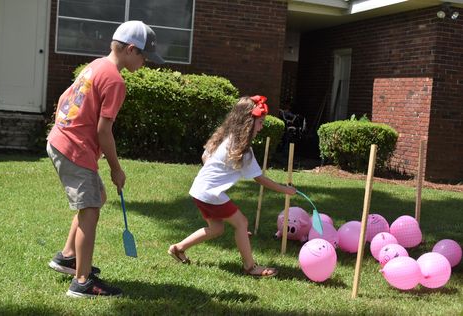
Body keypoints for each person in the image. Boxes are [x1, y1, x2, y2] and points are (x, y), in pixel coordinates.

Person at [46, 20, 164, 298]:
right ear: (131, 50)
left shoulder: (96, 66)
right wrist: (115, 168)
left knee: (95, 197)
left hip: (60, 140)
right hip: (74, 148)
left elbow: (65, 97)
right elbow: (103, 131)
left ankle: (67, 257)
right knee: (91, 210)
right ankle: (82, 281)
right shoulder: (115, 80)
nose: (145, 63)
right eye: (144, 57)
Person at [168, 95, 296, 277]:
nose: (261, 128)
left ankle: (178, 248)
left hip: (199, 190)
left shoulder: (224, 139)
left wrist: (216, 173)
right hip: (211, 194)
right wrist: (286, 190)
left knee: (217, 228)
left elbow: (205, 157)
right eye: (260, 123)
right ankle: (250, 267)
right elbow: (260, 179)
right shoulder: (244, 151)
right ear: (248, 123)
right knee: (241, 223)